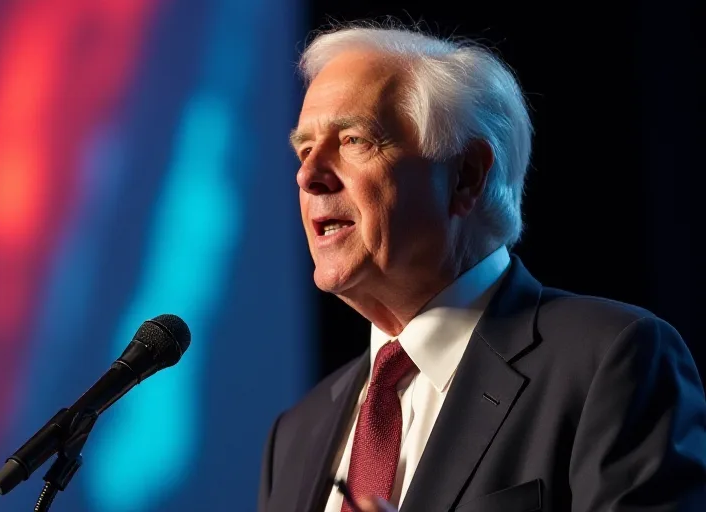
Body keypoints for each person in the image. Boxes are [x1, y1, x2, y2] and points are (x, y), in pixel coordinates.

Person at [258, 23, 706, 512]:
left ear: (466, 176)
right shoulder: (295, 436)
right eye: (304, 150)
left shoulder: (611, 361)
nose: (308, 176)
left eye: (353, 140)